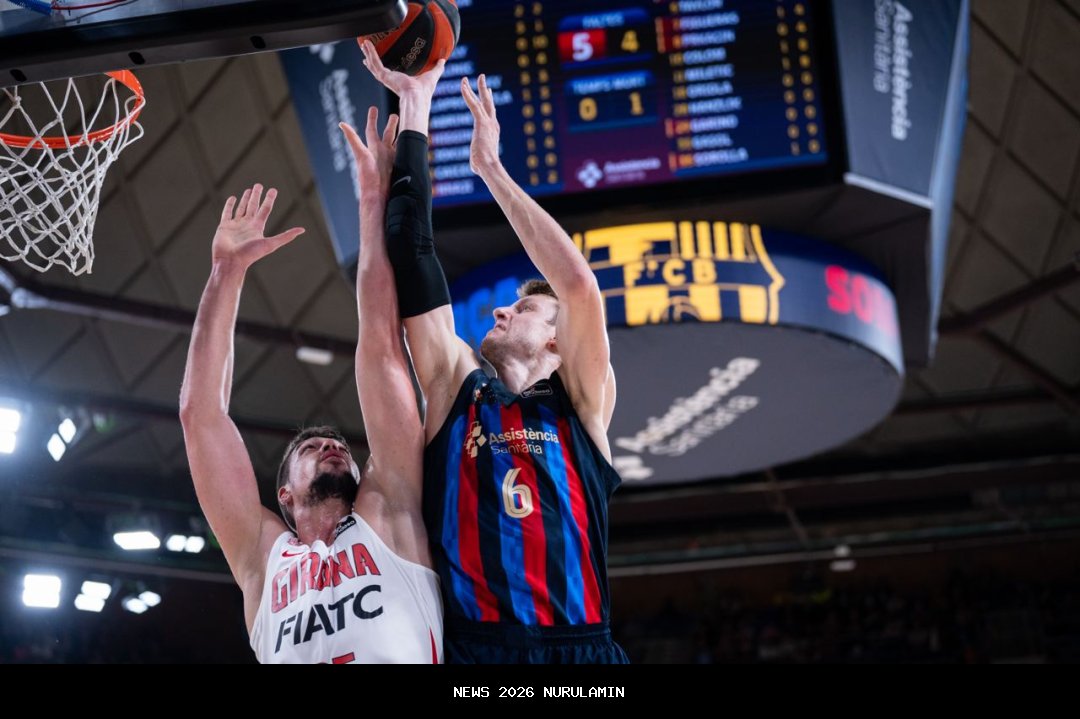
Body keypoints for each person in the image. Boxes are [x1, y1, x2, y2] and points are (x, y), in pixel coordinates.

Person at [361, 40, 628, 663]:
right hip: (478, 655)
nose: (502, 310)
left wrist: (492, 171)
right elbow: (414, 256)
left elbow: (579, 286)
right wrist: (417, 109)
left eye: (526, 309)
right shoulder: (459, 384)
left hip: (580, 654)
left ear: (559, 341)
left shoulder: (583, 406)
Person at [178, 108, 441, 663]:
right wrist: (225, 274)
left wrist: (372, 205)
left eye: (337, 445)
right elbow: (200, 416)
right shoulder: (261, 558)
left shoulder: (389, 510)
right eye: (311, 447)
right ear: (284, 497)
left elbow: (381, 346)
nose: (332, 444)